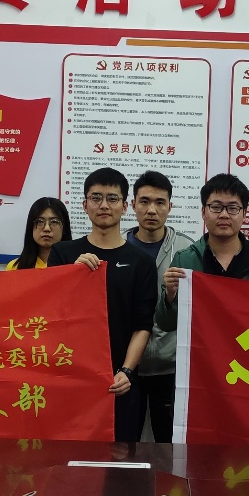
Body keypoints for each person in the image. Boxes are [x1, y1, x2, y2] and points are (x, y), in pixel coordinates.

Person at [49, 168, 158, 443]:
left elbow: (143, 325)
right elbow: (50, 314)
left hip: (119, 381)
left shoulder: (141, 262)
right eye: (96, 198)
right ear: (85, 205)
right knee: (68, 458)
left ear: (125, 206)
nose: (104, 205)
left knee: (120, 458)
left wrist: (127, 370)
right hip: (71, 377)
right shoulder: (63, 253)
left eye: (112, 198)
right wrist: (70, 275)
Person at [157, 173, 249, 330]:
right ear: (203, 212)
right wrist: (170, 295)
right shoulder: (185, 260)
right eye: (216, 207)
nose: (224, 215)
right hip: (201, 345)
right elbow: (166, 324)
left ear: (244, 214)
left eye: (233, 208)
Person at [126, 171, 187, 443]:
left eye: (160, 202)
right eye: (144, 201)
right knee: (123, 442)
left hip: (171, 366)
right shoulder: (118, 247)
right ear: (132, 205)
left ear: (170, 206)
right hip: (127, 366)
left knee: (168, 444)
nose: (152, 210)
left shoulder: (186, 250)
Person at [7, 197, 70, 270]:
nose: (47, 228)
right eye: (40, 221)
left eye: (54, 222)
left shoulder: (75, 264)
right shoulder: (15, 267)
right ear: (31, 227)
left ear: (64, 228)